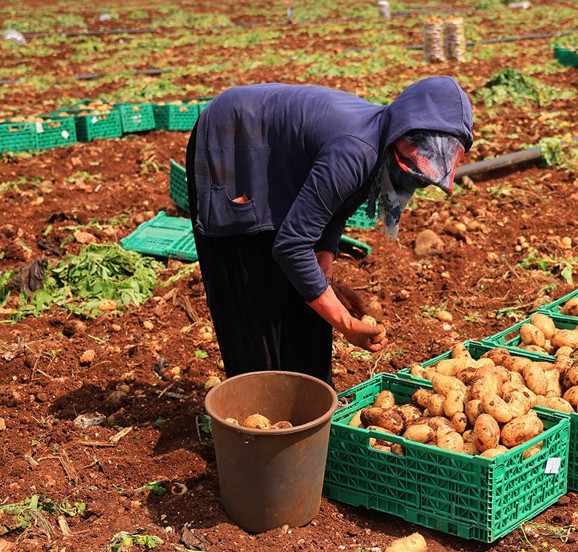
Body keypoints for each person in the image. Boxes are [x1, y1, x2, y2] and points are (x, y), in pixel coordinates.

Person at [185, 77, 474, 386]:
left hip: (277, 156)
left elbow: (335, 211)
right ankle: (255, 400)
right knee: (254, 297)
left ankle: (310, 399)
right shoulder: (355, 151)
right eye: (411, 170)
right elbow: (291, 247)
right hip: (233, 142)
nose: (415, 184)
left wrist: (326, 275)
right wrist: (345, 324)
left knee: (305, 292)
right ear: (400, 132)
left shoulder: (381, 143)